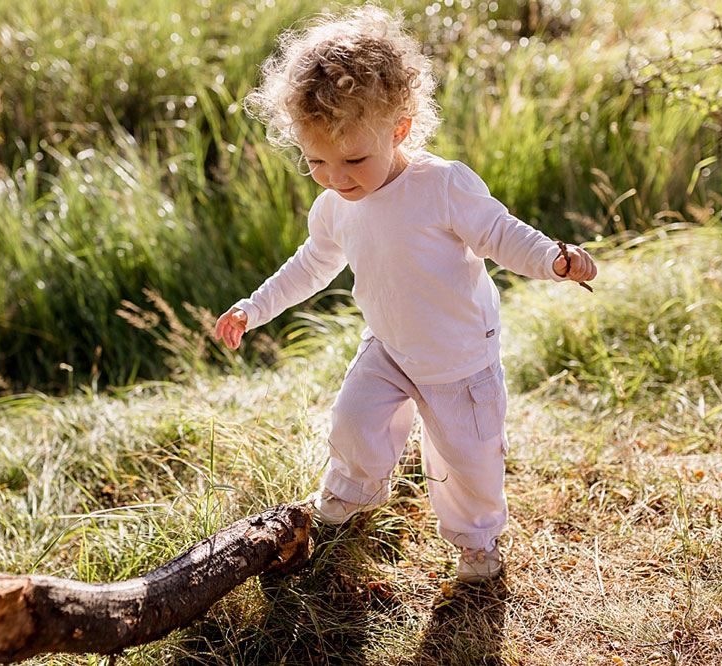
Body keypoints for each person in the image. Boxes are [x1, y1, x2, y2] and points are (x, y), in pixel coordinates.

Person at [213, 5, 596, 582]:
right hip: (388, 346)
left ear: (398, 130)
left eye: (354, 159)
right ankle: (352, 493)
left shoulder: (442, 186)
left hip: (458, 357)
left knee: (467, 460)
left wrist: (553, 259)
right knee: (352, 423)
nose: (338, 177)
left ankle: (475, 541)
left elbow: (498, 232)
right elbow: (311, 264)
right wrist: (255, 305)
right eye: (316, 161)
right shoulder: (335, 206)